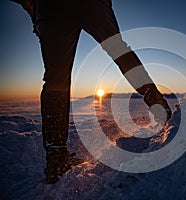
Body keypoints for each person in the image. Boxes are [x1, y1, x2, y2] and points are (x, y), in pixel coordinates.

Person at [11, 0, 172, 184]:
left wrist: (32, 7)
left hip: (50, 8)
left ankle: (56, 157)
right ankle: (158, 104)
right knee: (117, 48)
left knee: (56, 79)